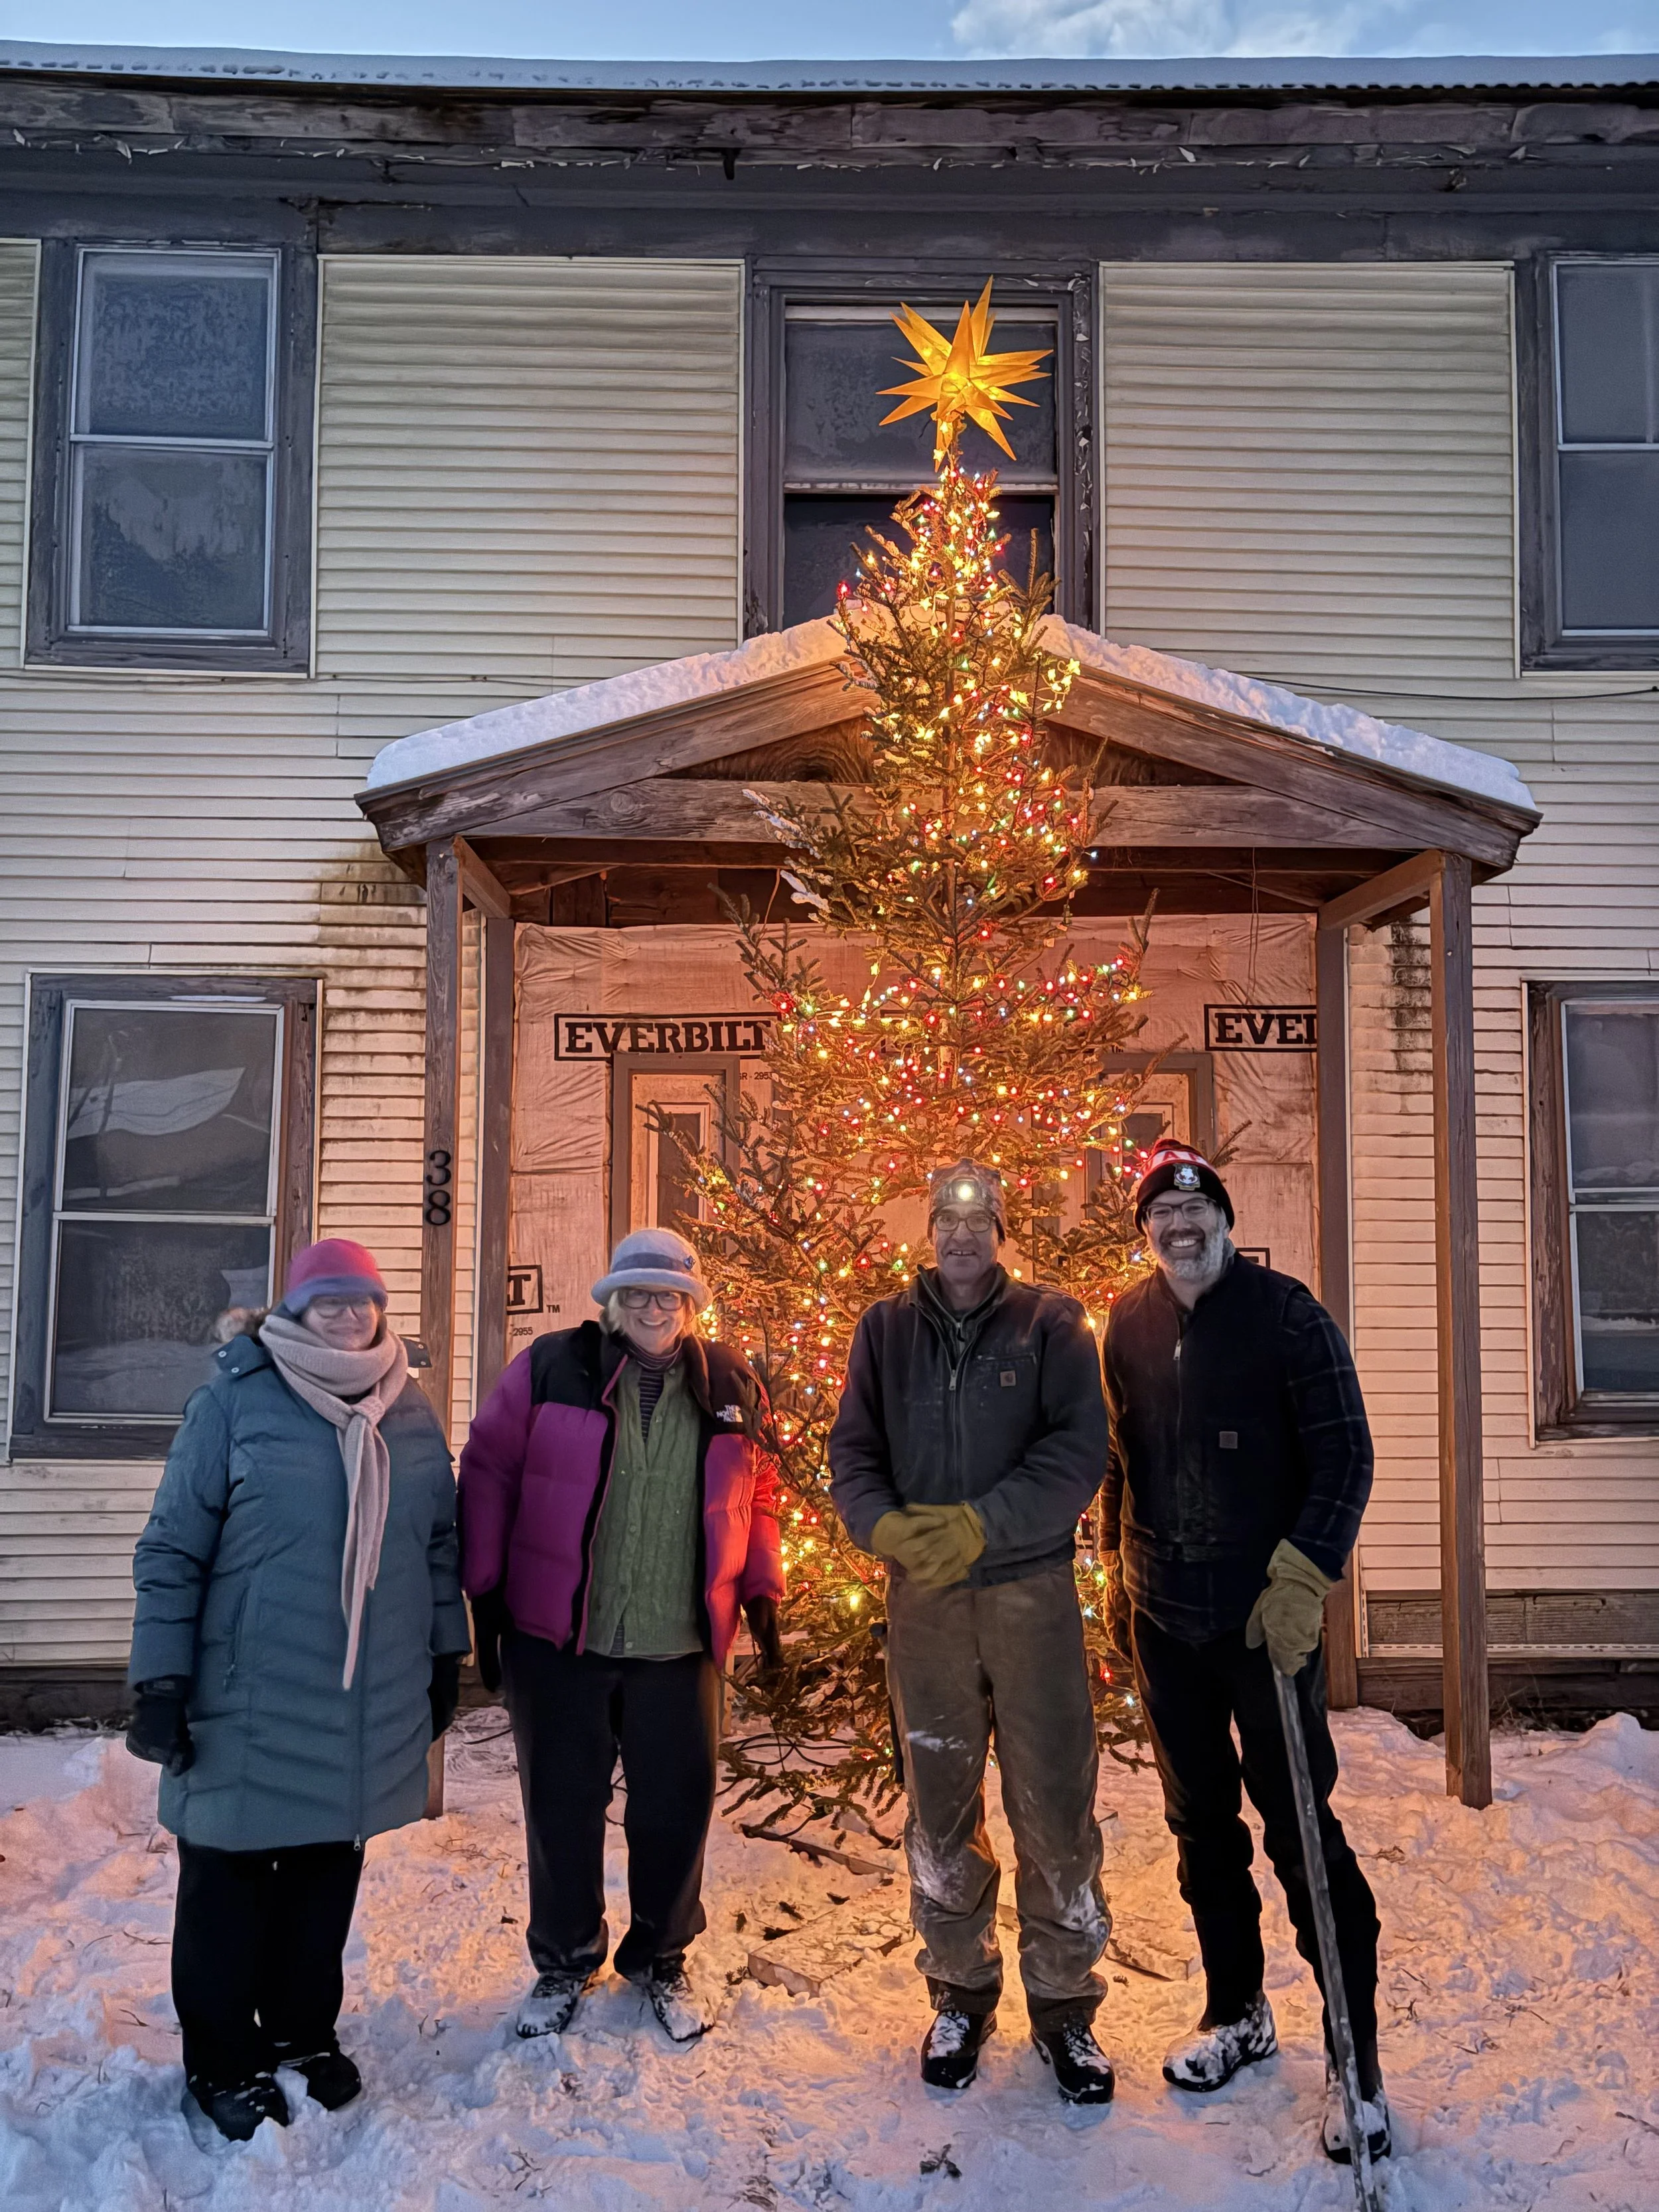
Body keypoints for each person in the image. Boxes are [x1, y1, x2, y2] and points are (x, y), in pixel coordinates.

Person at [126, 1238, 470, 2144]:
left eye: (363, 1300)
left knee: (324, 1877)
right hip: (245, 1695)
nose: (350, 1314)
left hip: (358, 1699)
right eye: (331, 1300)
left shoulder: (409, 1411)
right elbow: (171, 1549)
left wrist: (445, 1656)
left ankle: (299, 2031)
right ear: (295, 1307)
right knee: (227, 1886)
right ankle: (220, 2059)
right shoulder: (234, 1402)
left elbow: (437, 1547)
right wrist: (161, 1678)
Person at [1100, 1136, 1386, 2165]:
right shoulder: (1125, 1324)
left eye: (1197, 1213)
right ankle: (1237, 2010)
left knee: (1301, 1824)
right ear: (1147, 1233)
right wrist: (1112, 1568)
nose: (1181, 1230)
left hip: (1265, 1626)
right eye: (1161, 1219)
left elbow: (1347, 1453)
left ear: (1223, 1219)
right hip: (1163, 1619)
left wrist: (1304, 1576)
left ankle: (1356, 2061)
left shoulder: (1287, 1316)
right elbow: (1123, 1457)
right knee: (1199, 1826)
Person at [828, 1160, 1115, 2105]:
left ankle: (1066, 2006)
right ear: (930, 1236)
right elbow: (856, 1456)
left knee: (1053, 1800)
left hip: (1029, 1589)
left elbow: (1078, 1453)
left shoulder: (1053, 1324)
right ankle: (959, 1988)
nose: (960, 1237)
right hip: (928, 1605)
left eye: (977, 1220)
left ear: (1000, 1231)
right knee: (941, 1800)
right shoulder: (884, 1331)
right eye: (945, 1222)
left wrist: (984, 1522)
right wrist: (889, 1529)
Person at [459, 1226, 784, 2046]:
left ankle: (660, 1958)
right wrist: (485, 1597)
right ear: (608, 1300)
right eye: (634, 1293)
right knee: (562, 1808)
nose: (650, 1307)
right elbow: (489, 1471)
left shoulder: (730, 1384)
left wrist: (762, 1593)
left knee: (676, 1812)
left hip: (679, 1644)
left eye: (667, 1295)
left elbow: (763, 1492)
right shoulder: (550, 1368)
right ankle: (565, 1960)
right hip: (560, 1640)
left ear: (691, 1305)